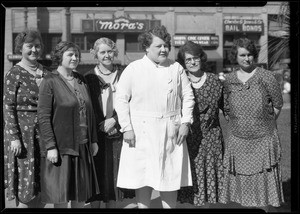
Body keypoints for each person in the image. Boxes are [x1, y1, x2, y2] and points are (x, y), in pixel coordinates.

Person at [115, 25, 195, 209]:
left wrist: (186, 122)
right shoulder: (133, 69)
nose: (164, 49)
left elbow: (188, 97)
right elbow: (121, 100)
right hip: (141, 132)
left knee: (170, 175)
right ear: (146, 47)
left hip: (171, 130)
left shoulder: (176, 68)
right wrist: (126, 128)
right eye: (159, 46)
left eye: (166, 45)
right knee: (143, 176)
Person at [219, 38, 284, 211]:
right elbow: (226, 108)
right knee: (243, 190)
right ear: (236, 56)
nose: (247, 59)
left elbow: (277, 104)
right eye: (242, 55)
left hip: (263, 142)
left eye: (250, 55)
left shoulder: (266, 76)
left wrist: (265, 124)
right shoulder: (229, 79)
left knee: (263, 189)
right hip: (238, 142)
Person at [37, 41, 99, 208]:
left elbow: (90, 111)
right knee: (61, 198)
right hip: (62, 148)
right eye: (70, 54)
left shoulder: (80, 79)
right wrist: (50, 146)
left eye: (76, 55)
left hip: (82, 146)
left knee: (80, 197)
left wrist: (93, 139)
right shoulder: (49, 81)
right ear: (59, 57)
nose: (74, 57)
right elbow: (43, 116)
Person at [83, 37, 134, 208]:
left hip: (118, 134)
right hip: (96, 135)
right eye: (102, 52)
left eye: (110, 51)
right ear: (95, 55)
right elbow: (86, 106)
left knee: (113, 181)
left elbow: (133, 101)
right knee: (96, 180)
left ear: (115, 52)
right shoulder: (88, 77)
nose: (107, 55)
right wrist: (99, 124)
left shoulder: (124, 74)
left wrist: (115, 120)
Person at [176, 41, 225, 207]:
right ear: (183, 62)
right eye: (188, 59)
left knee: (209, 186)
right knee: (190, 184)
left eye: (195, 58)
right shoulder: (179, 82)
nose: (192, 62)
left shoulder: (213, 80)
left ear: (201, 58)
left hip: (211, 140)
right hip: (188, 140)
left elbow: (227, 108)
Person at [3, 29, 48, 208]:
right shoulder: (14, 73)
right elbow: (8, 107)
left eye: (37, 46)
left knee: (42, 186)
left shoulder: (47, 72)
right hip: (23, 137)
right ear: (20, 48)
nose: (34, 50)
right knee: (25, 186)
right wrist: (14, 137)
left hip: (44, 136)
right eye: (29, 46)